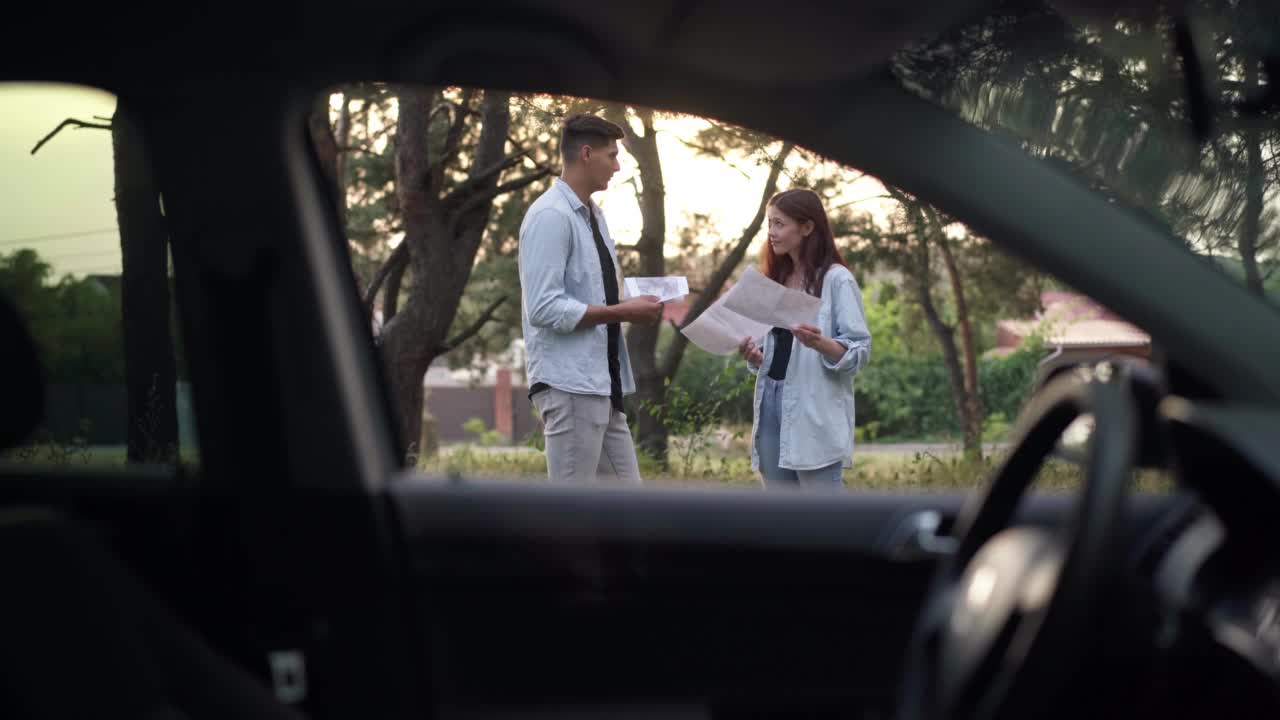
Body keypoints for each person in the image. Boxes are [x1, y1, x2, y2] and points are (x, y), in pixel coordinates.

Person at [518, 113, 663, 484]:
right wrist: (622, 312)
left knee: (629, 513)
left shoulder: (592, 216)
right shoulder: (551, 216)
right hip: (569, 386)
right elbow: (544, 307)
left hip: (602, 385)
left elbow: (593, 293)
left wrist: (634, 301)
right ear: (586, 153)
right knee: (570, 518)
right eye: (612, 155)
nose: (618, 166)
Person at [737, 189, 871, 488]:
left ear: (807, 227)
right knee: (780, 511)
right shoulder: (776, 278)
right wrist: (757, 358)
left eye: (779, 224)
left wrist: (820, 343)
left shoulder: (837, 280)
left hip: (814, 404)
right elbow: (778, 349)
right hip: (771, 398)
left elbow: (860, 351)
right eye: (769, 224)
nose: (771, 233)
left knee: (824, 516)